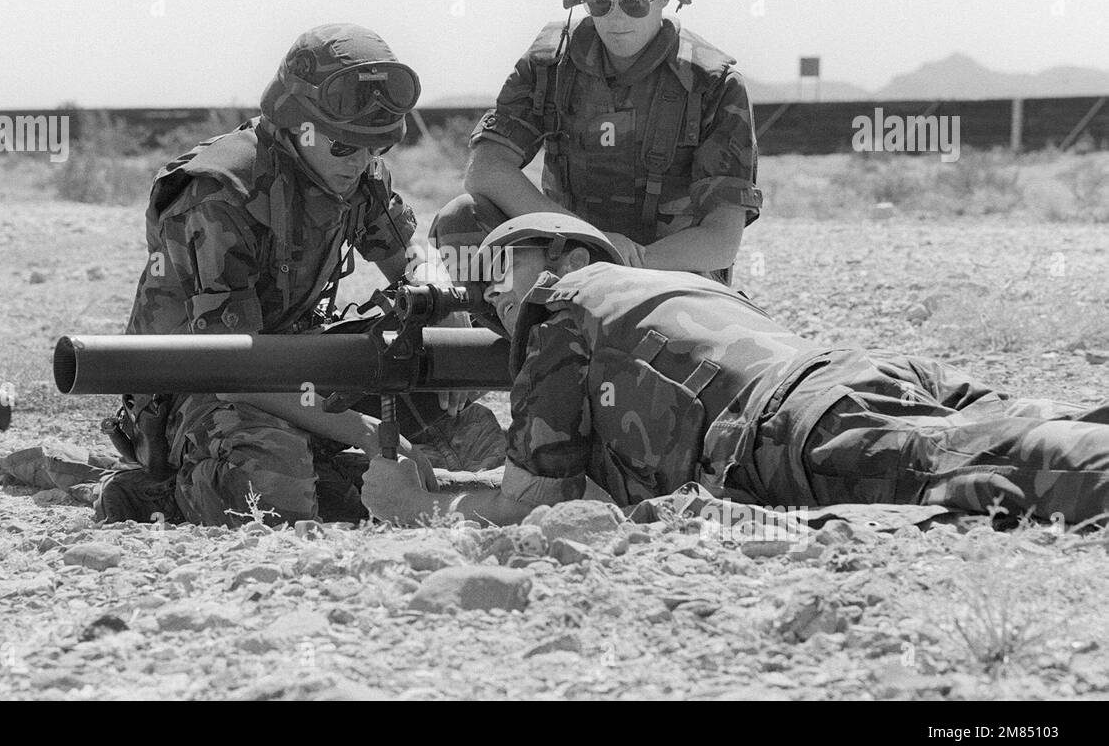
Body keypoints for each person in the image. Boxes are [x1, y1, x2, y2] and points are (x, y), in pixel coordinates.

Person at [361, 213, 1109, 528]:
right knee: (1028, 431)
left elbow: (537, 509)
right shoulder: (683, 291)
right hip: (840, 383)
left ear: (567, 257)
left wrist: (416, 506)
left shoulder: (562, 305)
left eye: (505, 266)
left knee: (1014, 475)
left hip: (792, 431)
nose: (494, 292)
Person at [97, 23, 503, 527]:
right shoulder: (220, 194)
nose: (359, 164)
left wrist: (439, 293)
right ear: (296, 123)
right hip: (194, 385)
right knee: (273, 487)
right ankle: (154, 494)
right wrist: (367, 431)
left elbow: (410, 248)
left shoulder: (352, 169)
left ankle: (326, 466)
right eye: (344, 148)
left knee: (462, 422)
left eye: (375, 151)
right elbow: (233, 372)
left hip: (292, 366)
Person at [462, 0, 762, 281]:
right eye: (600, 2)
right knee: (462, 220)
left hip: (667, 272)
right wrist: (589, 243)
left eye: (634, 2)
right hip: (568, 256)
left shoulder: (713, 84)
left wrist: (625, 265)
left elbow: (720, 240)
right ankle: (518, 331)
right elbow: (486, 170)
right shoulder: (550, 63)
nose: (616, 17)